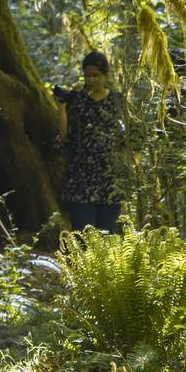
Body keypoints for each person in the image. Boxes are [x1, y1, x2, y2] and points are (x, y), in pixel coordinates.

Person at [52, 48, 127, 235]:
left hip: (110, 181)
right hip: (80, 181)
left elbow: (132, 136)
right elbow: (63, 137)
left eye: (96, 75)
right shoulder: (77, 101)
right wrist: (61, 110)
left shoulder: (117, 101)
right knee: (83, 238)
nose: (91, 80)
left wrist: (126, 167)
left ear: (106, 75)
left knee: (107, 237)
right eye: (87, 75)